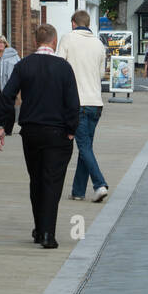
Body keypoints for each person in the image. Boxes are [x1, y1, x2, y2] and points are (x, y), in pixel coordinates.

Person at [0, 25, 79, 250]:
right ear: (54, 41)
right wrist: (72, 129)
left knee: (37, 179)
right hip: (58, 132)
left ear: (35, 41)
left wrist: (1, 125)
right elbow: (72, 102)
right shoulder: (64, 67)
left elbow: (7, 95)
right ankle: (48, 233)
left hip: (30, 131)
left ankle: (39, 228)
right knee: (52, 181)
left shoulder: (24, 65)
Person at [57, 12, 109, 203]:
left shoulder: (68, 39)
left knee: (84, 147)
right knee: (85, 148)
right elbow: (102, 74)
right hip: (96, 103)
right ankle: (78, 191)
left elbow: (60, 68)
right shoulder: (98, 44)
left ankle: (99, 184)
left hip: (76, 103)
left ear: (73, 23)